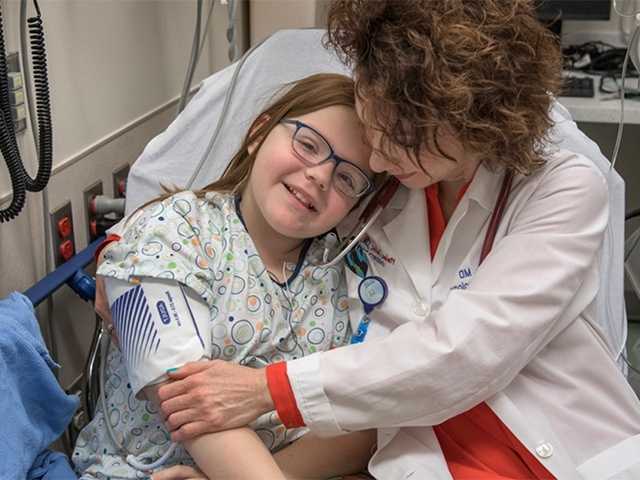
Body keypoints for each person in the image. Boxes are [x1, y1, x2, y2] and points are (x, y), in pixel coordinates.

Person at [144, 1, 640, 479]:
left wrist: (266, 390)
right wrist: (135, 245)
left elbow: (466, 352)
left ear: (478, 128)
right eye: (372, 120)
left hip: (559, 449)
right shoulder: (372, 181)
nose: (377, 161)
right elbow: (242, 201)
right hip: (419, 455)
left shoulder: (560, 188)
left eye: (404, 140)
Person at [73, 73, 381, 480]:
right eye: (308, 145)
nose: (320, 176)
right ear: (258, 133)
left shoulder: (344, 275)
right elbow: (182, 397)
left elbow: (362, 429)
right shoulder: (169, 232)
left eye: (347, 178)